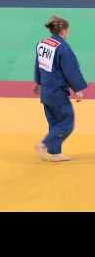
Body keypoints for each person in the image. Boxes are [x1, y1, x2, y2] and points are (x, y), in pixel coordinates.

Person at [34, 15, 88, 162]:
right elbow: (70, 70)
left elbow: (39, 65)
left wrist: (38, 83)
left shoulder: (42, 44)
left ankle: (55, 153)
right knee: (67, 122)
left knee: (54, 122)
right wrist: (78, 89)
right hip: (57, 91)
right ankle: (44, 144)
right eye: (67, 30)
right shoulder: (63, 48)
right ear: (63, 31)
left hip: (45, 91)